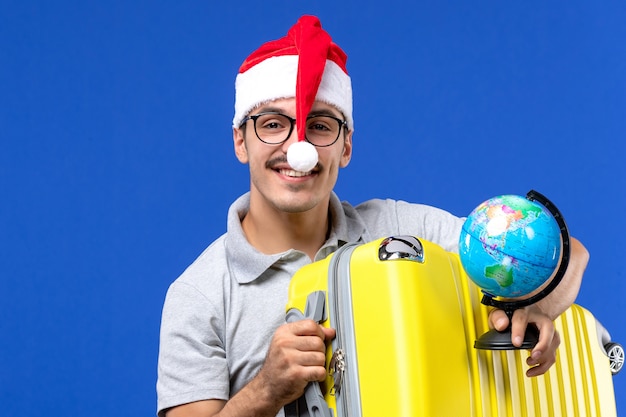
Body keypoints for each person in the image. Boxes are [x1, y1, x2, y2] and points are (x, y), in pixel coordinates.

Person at [156, 15, 589, 417]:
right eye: (272, 124)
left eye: (320, 126)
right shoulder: (198, 295)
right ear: (240, 141)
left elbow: (569, 254)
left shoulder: (403, 231)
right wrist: (266, 389)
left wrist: (537, 307)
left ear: (345, 147)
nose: (298, 149)